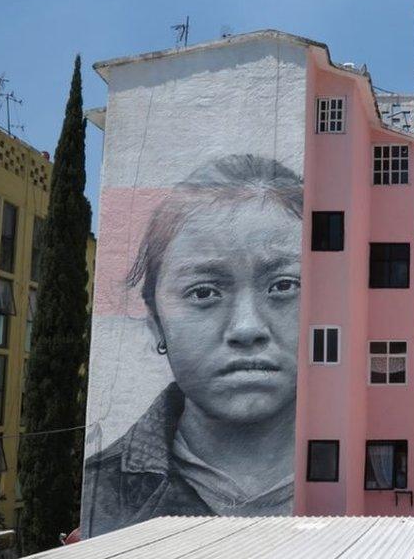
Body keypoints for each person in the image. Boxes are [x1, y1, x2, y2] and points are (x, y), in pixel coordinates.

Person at [82, 154, 304, 537]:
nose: (247, 328)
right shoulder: (103, 489)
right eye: (204, 292)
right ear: (155, 321)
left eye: (283, 286)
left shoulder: (372, 468)